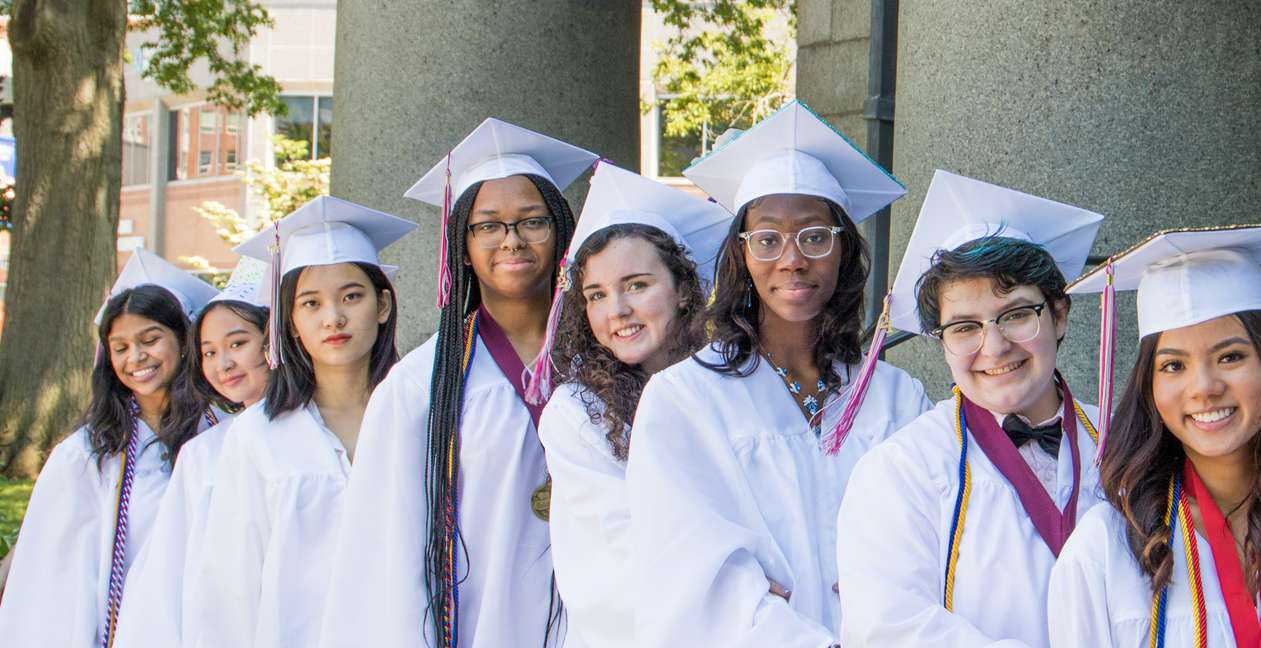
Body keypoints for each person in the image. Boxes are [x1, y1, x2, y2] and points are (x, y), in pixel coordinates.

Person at [624, 99, 931, 646]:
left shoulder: (896, 399)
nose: (792, 259)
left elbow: (927, 545)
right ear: (741, 256)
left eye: (815, 236)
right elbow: (690, 563)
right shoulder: (685, 398)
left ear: (843, 251)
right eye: (767, 239)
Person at [315, 118, 597, 648]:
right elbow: (385, 550)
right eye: (487, 225)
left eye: (531, 221)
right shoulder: (420, 387)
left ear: (561, 231)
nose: (510, 240)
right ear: (461, 245)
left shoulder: (605, 365)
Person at [1048, 218, 1261, 648]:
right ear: (1150, 388)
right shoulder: (1105, 548)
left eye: (1230, 357)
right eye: (1173, 365)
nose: (1204, 387)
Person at [837, 170, 1107, 647]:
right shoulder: (901, 470)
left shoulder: (1125, 439)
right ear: (941, 342)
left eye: (1017, 314)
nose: (995, 347)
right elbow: (889, 628)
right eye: (964, 327)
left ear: (1059, 314)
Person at [186, 196, 412, 647]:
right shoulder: (257, 436)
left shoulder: (421, 417)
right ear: (289, 322)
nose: (334, 317)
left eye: (352, 295)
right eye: (310, 303)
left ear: (382, 305)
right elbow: (231, 588)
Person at [535, 162, 731, 647]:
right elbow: (613, 557)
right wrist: (735, 591)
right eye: (596, 295)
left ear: (685, 290)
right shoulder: (577, 414)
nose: (616, 310)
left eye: (637, 285)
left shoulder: (730, 385)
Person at [0, 249, 223, 646]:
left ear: (184, 341)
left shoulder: (226, 434)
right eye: (120, 347)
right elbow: (53, 574)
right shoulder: (88, 454)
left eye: (150, 340)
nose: (136, 358)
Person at [111, 258, 273, 647]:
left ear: (274, 342)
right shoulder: (205, 453)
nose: (225, 363)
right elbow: (166, 578)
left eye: (237, 343)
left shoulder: (324, 433)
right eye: (210, 352)